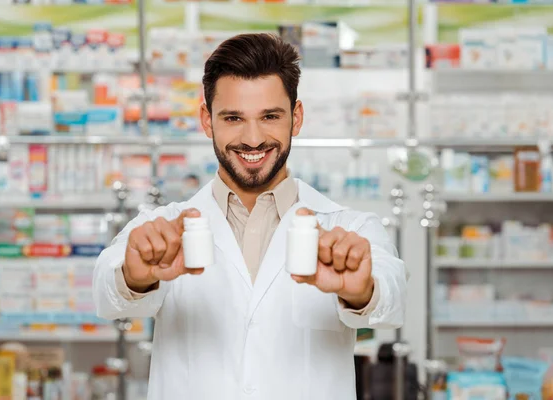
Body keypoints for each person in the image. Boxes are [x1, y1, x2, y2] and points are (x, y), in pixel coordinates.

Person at [93, 33, 407, 400]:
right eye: (234, 118)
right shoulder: (165, 229)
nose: (254, 139)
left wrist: (362, 292)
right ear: (207, 120)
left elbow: (393, 297)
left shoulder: (348, 228)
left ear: (297, 117)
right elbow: (104, 290)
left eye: (270, 116)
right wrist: (135, 276)